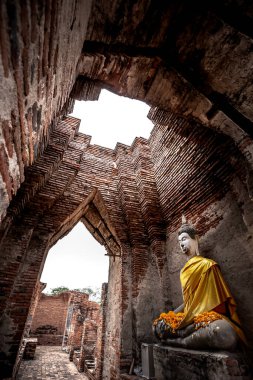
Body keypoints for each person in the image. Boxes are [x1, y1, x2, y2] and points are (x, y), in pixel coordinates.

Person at [153, 221, 246, 350]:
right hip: (189, 318)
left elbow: (220, 305)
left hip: (206, 317)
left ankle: (181, 340)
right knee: (158, 325)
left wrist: (198, 317)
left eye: (184, 239)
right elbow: (189, 303)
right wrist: (170, 316)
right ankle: (182, 334)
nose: (181, 244)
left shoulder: (208, 266)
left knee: (223, 332)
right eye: (179, 241)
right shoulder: (183, 271)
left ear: (195, 239)